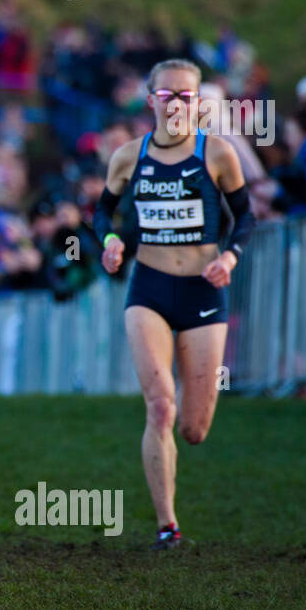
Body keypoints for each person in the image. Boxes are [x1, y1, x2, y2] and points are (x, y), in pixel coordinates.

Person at [93, 59, 253, 551]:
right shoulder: (128, 156)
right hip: (150, 291)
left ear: (199, 101)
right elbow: (102, 211)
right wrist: (111, 242)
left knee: (194, 428)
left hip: (204, 292)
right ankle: (167, 525)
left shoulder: (218, 154)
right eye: (167, 95)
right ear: (151, 100)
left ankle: (188, 440)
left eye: (186, 95)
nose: (177, 103)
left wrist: (230, 255)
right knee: (160, 406)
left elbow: (245, 216)